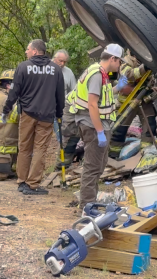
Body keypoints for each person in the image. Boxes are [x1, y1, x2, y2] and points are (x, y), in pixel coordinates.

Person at [3, 39, 64, 195]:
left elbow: (14, 91)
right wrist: (59, 114)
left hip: (27, 113)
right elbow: (60, 95)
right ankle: (33, 184)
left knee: (24, 147)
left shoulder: (23, 67)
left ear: (35, 51)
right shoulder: (55, 69)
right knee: (40, 150)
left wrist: (6, 109)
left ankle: (22, 181)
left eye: (28, 49)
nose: (26, 52)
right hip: (47, 116)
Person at [68, 43, 124, 209]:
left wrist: (117, 88)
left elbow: (101, 96)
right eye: (119, 61)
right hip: (92, 125)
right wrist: (99, 131)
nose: (119, 65)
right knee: (93, 167)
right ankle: (86, 207)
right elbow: (92, 104)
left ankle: (89, 203)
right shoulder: (97, 75)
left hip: (96, 124)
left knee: (98, 164)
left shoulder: (100, 73)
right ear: (112, 58)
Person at [108, 51, 157, 159]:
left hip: (144, 101)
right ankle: (113, 155)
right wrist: (145, 67)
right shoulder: (126, 63)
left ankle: (146, 154)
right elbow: (130, 75)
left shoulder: (149, 63)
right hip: (128, 102)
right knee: (119, 130)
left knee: (150, 126)